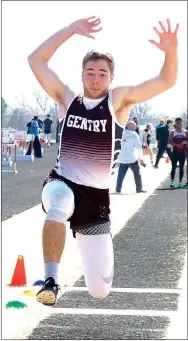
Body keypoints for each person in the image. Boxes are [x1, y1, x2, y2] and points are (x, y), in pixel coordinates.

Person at [28, 17, 179, 306]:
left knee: (99, 290)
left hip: (96, 198)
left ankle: (75, 243)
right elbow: (36, 60)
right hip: (62, 181)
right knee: (58, 201)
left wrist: (171, 51)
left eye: (101, 73)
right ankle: (50, 279)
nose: (95, 78)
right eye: (90, 72)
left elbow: (166, 81)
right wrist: (70, 30)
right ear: (82, 75)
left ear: (110, 78)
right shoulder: (66, 99)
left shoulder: (118, 101)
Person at [116, 121, 146, 194]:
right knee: (137, 174)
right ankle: (139, 189)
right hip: (132, 158)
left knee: (120, 175)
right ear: (131, 127)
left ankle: (118, 189)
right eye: (134, 126)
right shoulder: (134, 134)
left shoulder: (120, 133)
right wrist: (141, 159)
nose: (135, 127)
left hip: (122, 158)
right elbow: (139, 148)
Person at [168, 117, 188, 188]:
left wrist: (184, 142)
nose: (179, 124)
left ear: (182, 123)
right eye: (178, 123)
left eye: (180, 123)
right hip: (175, 152)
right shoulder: (173, 132)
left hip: (182, 152)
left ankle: (180, 183)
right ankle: (172, 182)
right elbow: (169, 141)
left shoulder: (185, 132)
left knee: (181, 168)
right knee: (173, 167)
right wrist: (177, 145)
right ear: (175, 124)